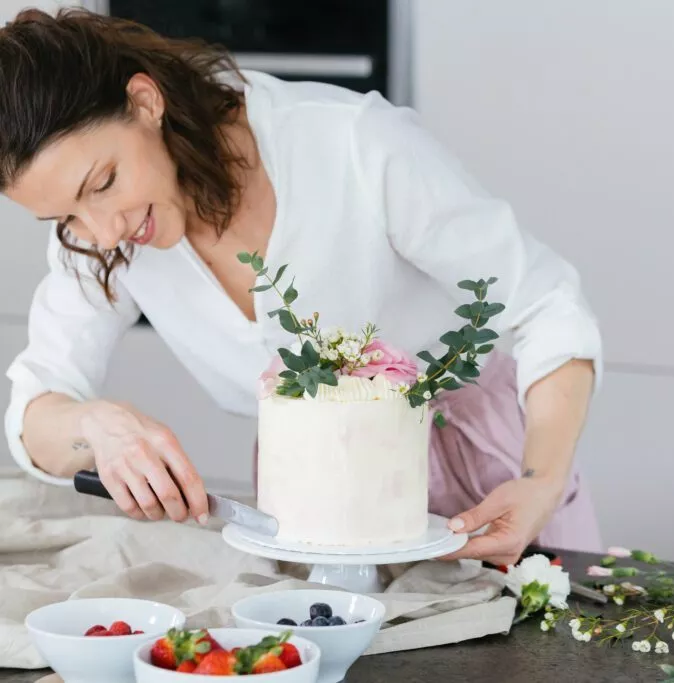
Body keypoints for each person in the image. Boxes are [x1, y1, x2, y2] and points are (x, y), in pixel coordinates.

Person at [0, 8, 603, 566]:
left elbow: (546, 306)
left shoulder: (351, 144)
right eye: (65, 217)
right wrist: (97, 427)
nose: (103, 234)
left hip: (486, 471)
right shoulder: (97, 238)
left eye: (104, 181)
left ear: (143, 101)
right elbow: (35, 410)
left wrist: (539, 482)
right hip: (312, 509)